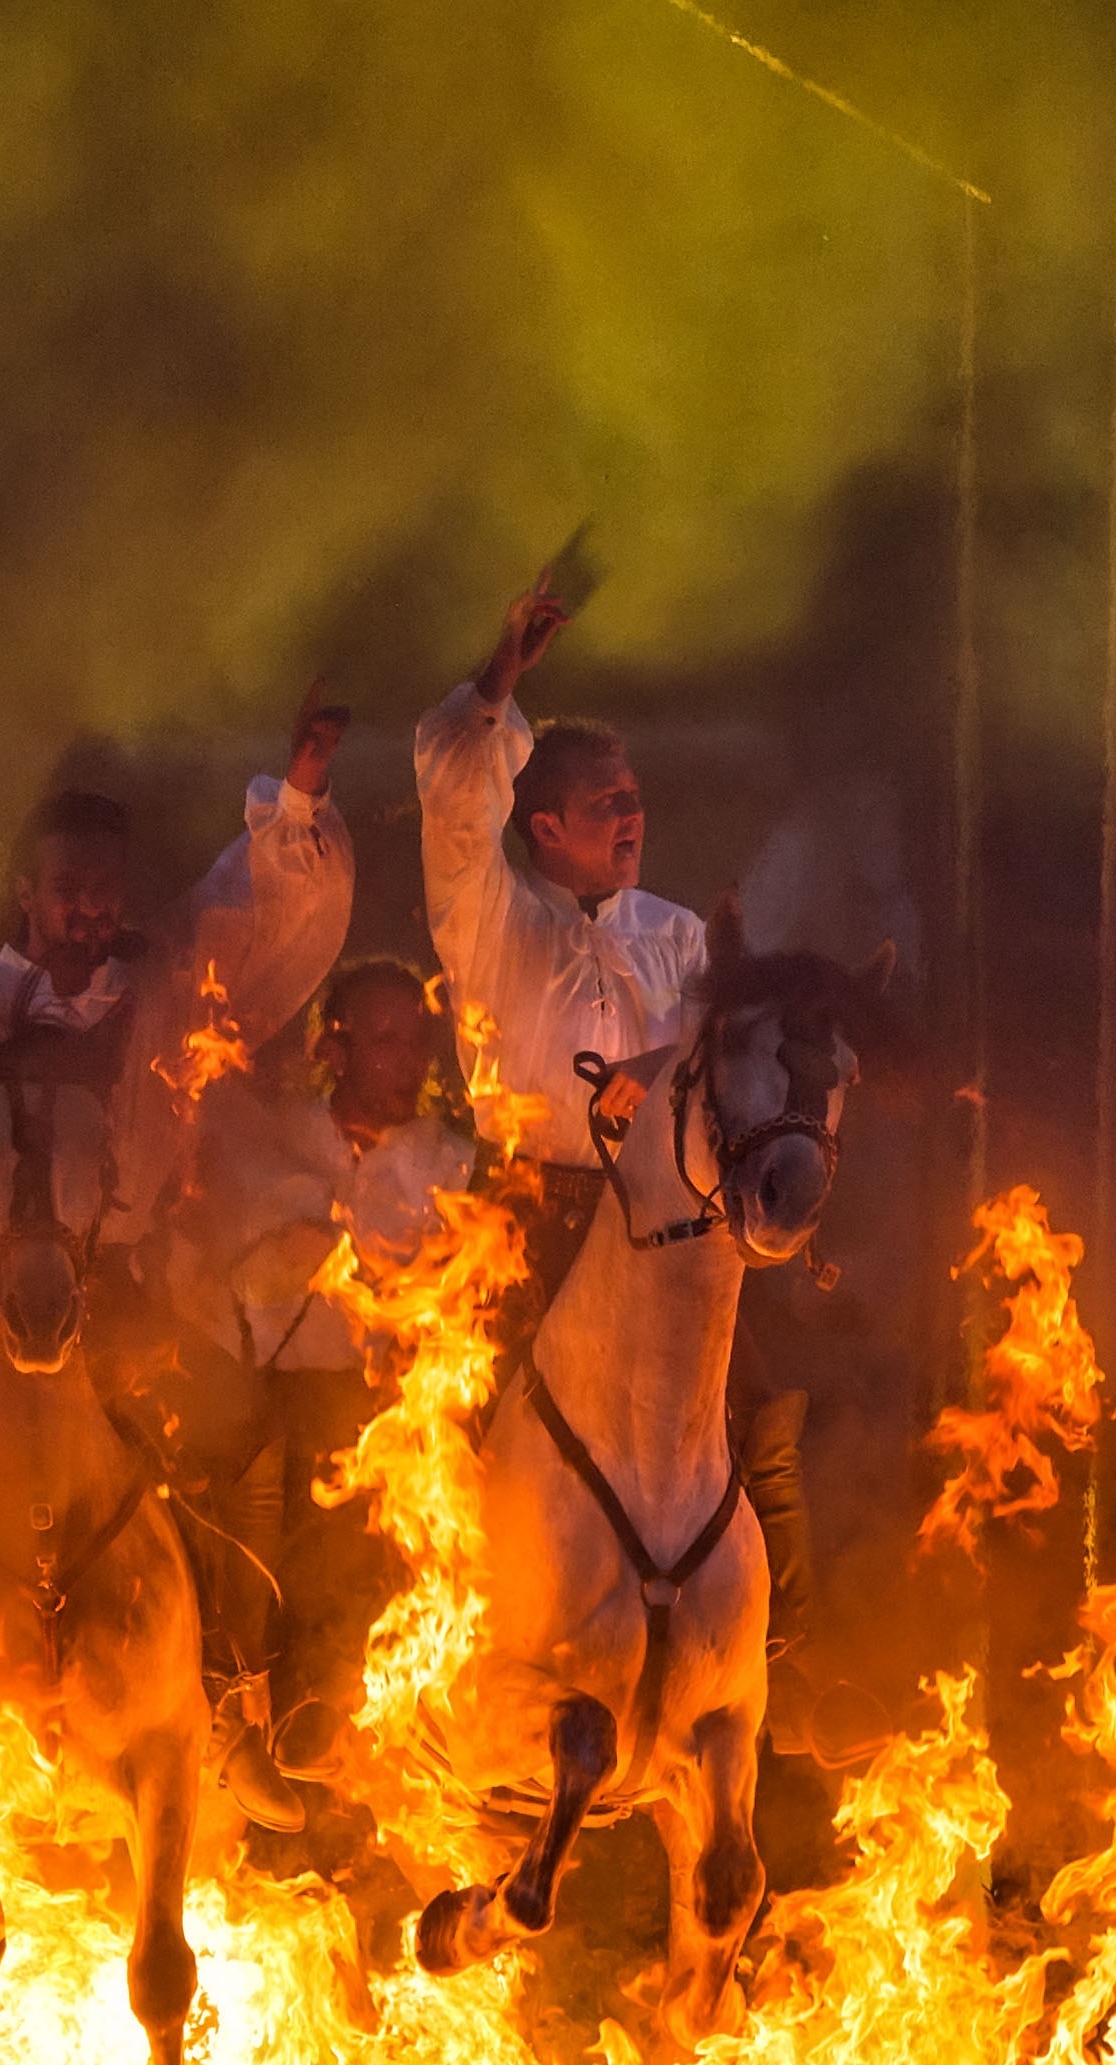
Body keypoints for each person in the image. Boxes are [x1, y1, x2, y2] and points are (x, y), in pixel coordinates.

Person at [0, 686, 355, 1810]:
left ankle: (225, 1704)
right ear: (27, 891)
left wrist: (300, 786)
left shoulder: (163, 985)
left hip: (120, 1291)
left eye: (104, 887)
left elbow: (260, 906)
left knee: (226, 1440)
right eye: (67, 886)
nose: (87, 906)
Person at [415, 573, 813, 1641]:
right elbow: (455, 798)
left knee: (761, 1402)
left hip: (668, 1218)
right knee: (448, 1415)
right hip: (524, 1211)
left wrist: (659, 1055)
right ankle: (425, 1645)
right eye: (607, 803)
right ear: (543, 825)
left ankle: (785, 1646)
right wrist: (502, 672)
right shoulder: (487, 914)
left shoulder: (679, 934)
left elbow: (729, 1053)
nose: (632, 816)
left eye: (634, 798)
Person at [171, 957, 473, 1807]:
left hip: (386, 1400)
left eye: (417, 1040)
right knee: (240, 1477)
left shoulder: (449, 1163)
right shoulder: (274, 1142)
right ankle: (239, 1710)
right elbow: (227, 1272)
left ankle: (352, 1713)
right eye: (385, 1040)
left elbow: (459, 1296)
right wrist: (290, 1257)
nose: (408, 1059)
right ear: (334, 1051)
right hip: (266, 1389)